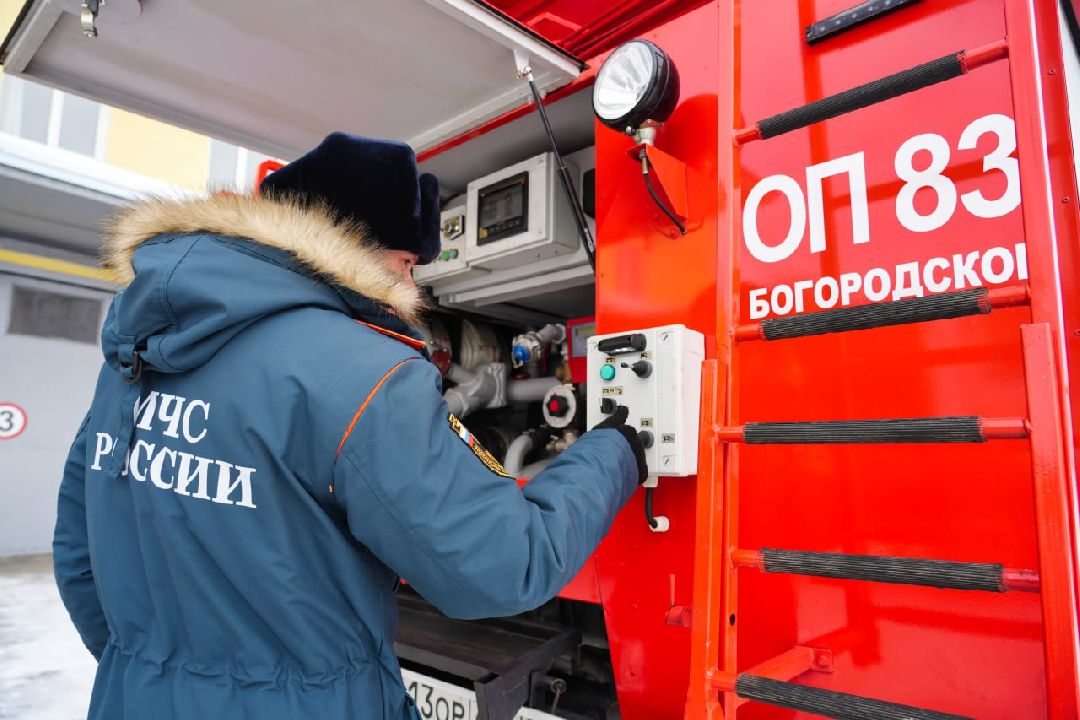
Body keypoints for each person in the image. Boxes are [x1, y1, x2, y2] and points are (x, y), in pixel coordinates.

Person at [53, 132, 647, 719]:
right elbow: (502, 565)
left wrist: (156, 676)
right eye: (409, 263)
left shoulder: (134, 357)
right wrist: (617, 449)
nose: (412, 287)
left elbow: (79, 558)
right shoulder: (363, 368)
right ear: (355, 246)